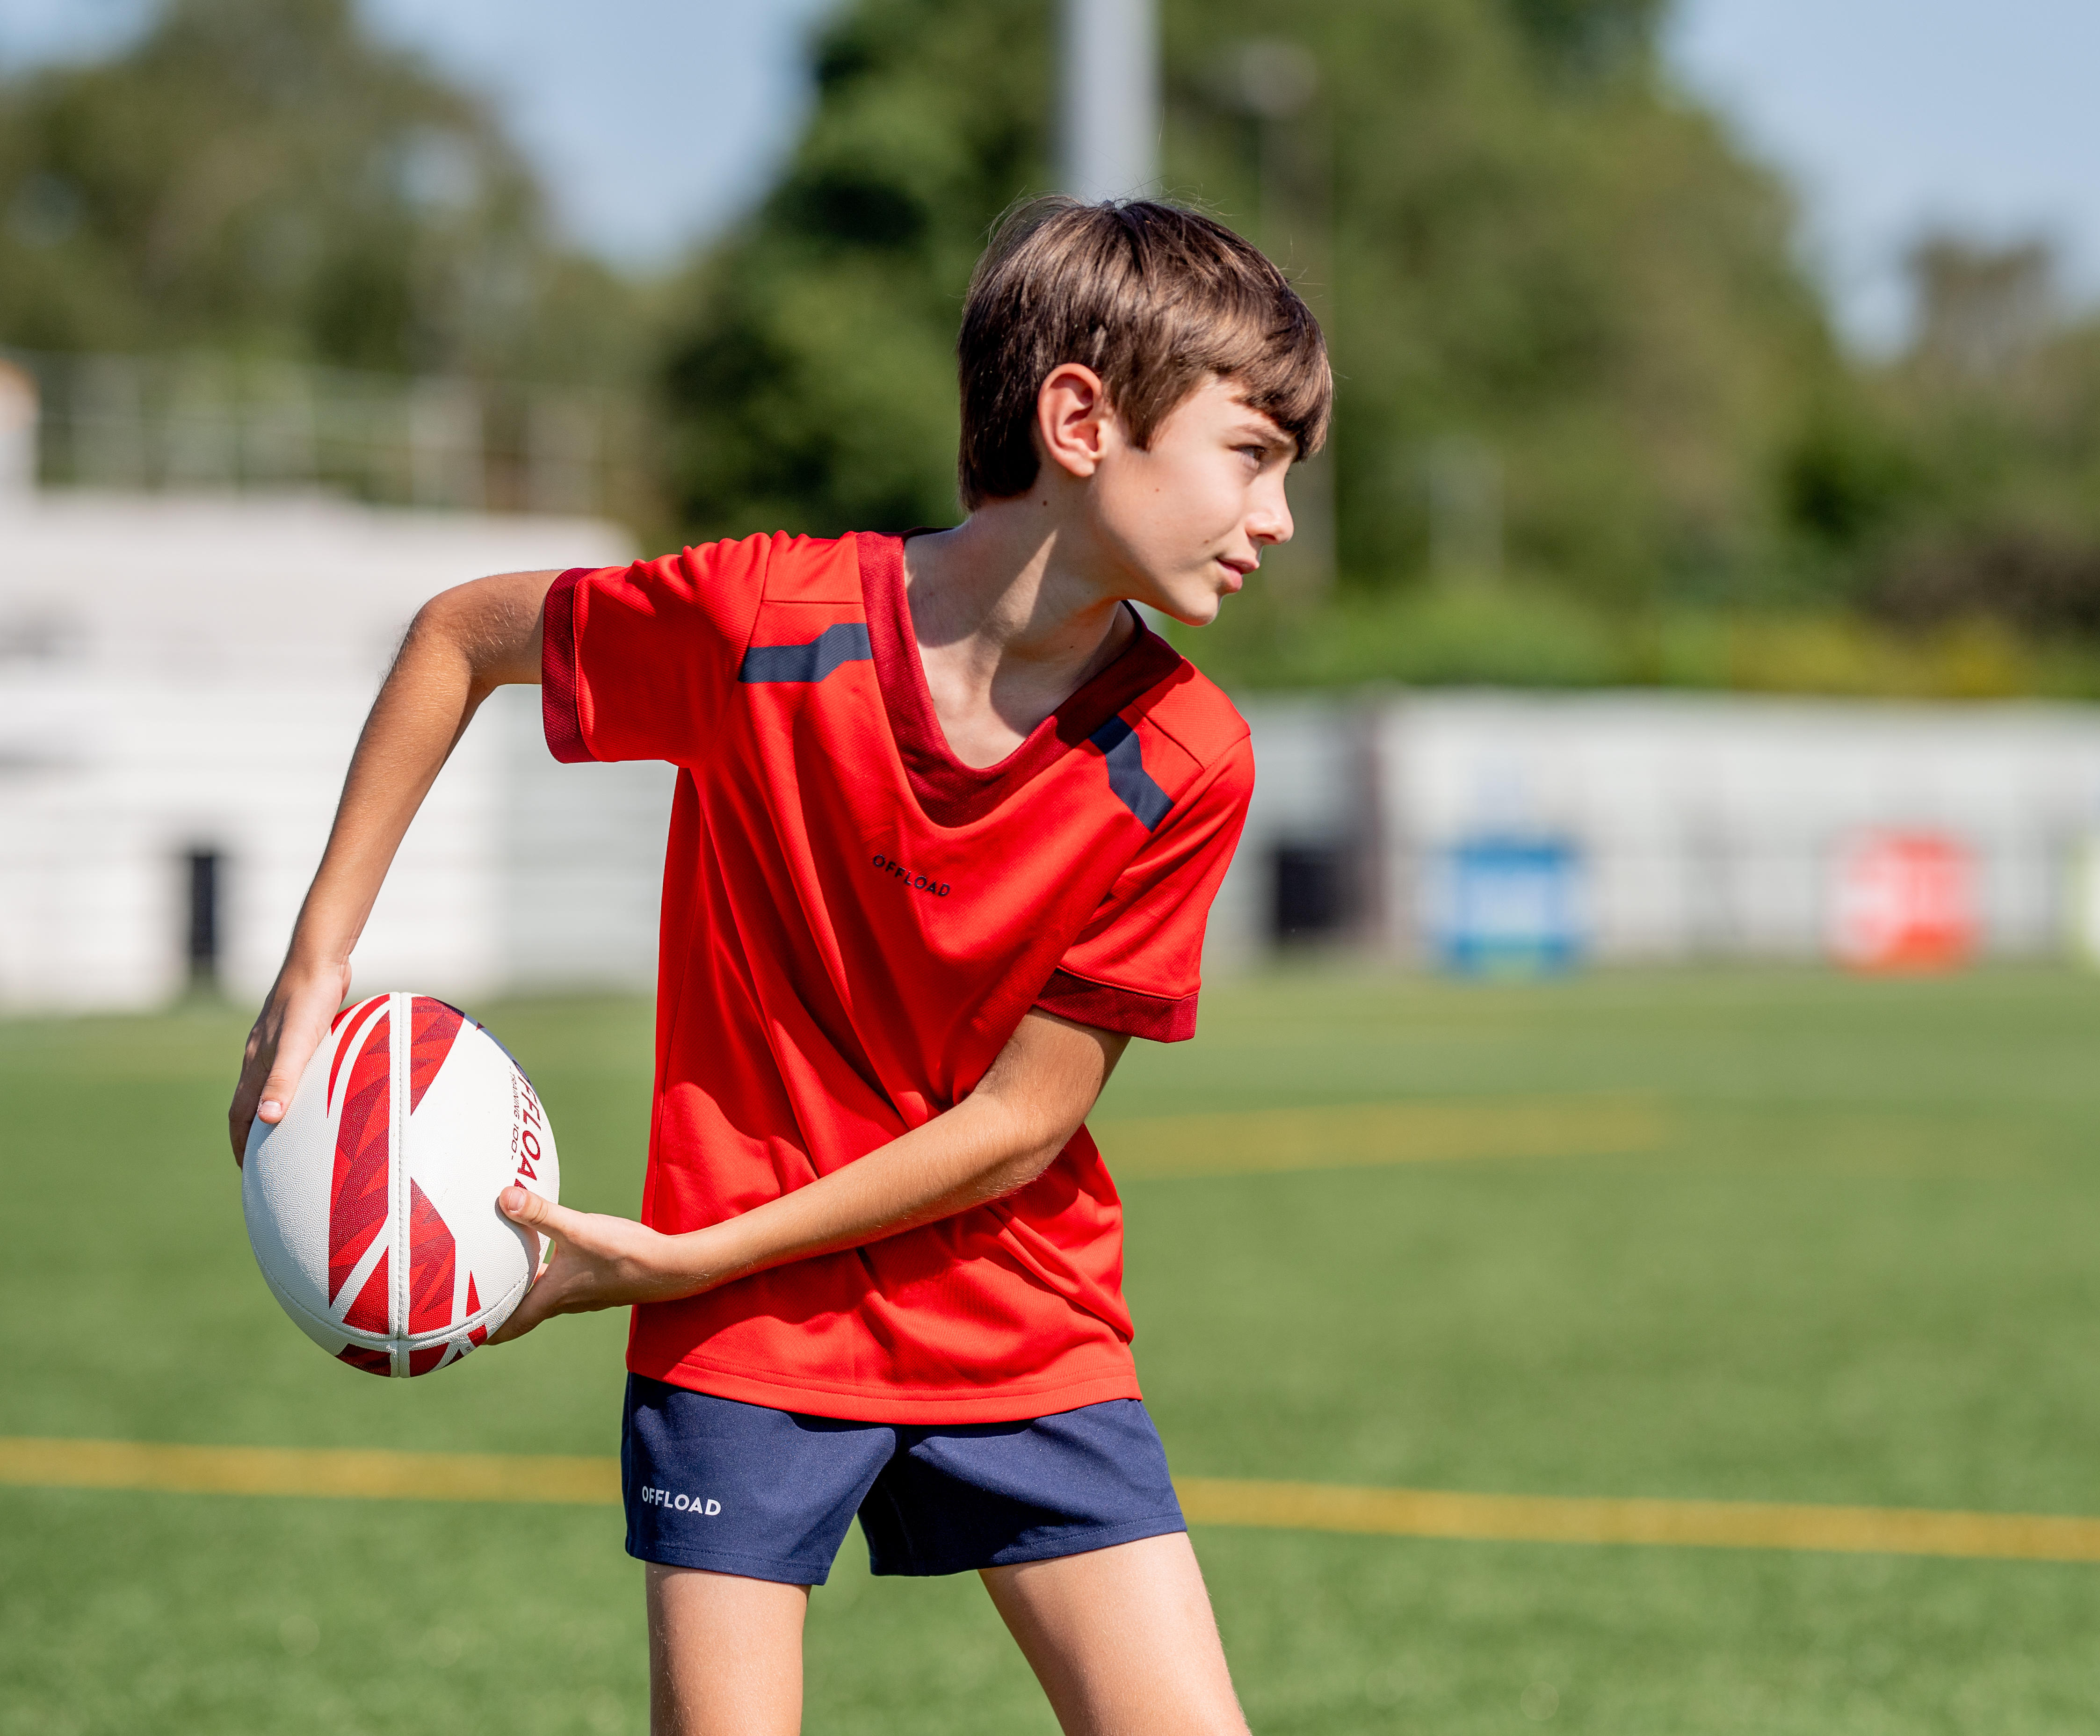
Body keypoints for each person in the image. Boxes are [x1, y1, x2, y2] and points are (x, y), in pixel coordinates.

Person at [227, 196, 1329, 1736]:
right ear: (1082, 417)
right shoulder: (769, 625)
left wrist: (692, 1256)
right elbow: (461, 635)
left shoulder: (1189, 756)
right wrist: (316, 970)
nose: (1276, 517)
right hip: (748, 1343)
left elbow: (1023, 1125)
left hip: (1017, 1319)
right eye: (1252, 456)